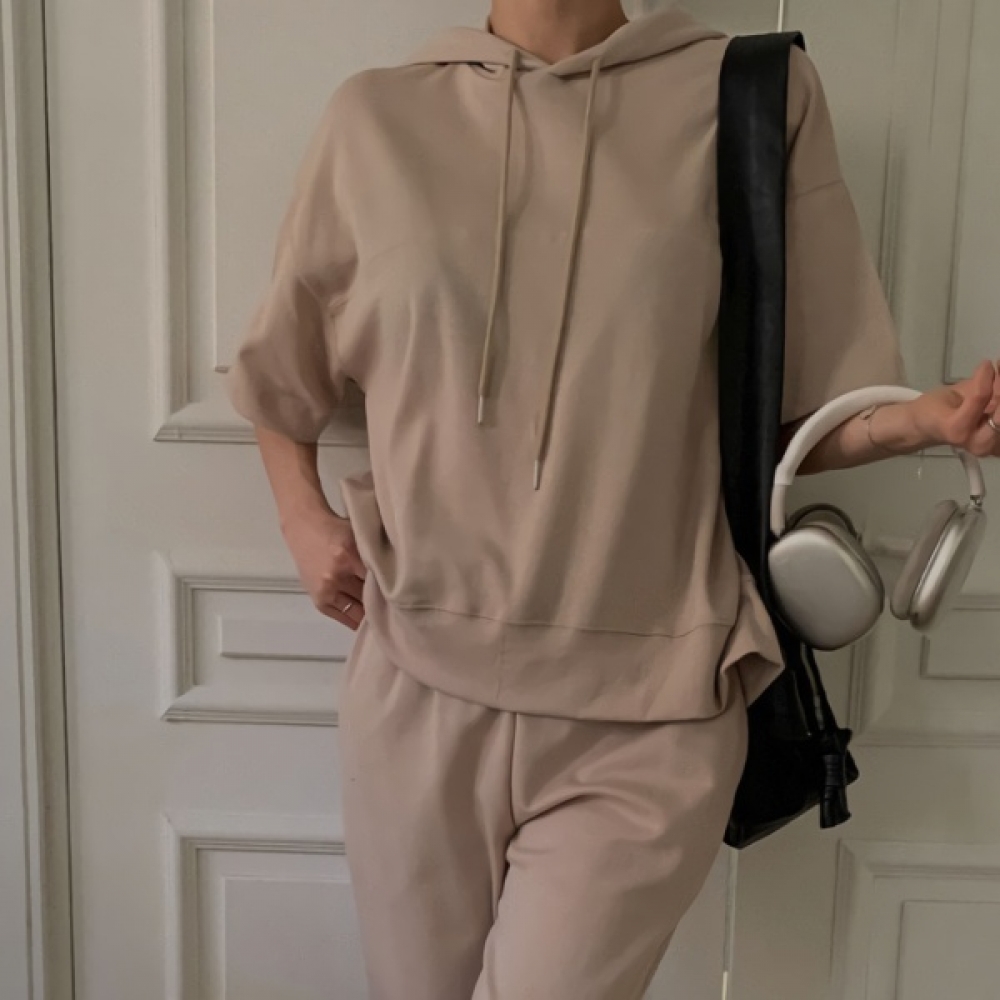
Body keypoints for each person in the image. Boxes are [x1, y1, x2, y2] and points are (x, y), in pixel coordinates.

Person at [225, 2, 1000, 996]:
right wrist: (301, 518)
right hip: (416, 686)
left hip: (652, 708)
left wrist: (919, 422)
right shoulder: (374, 119)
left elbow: (798, 412)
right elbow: (279, 376)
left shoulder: (748, 97)